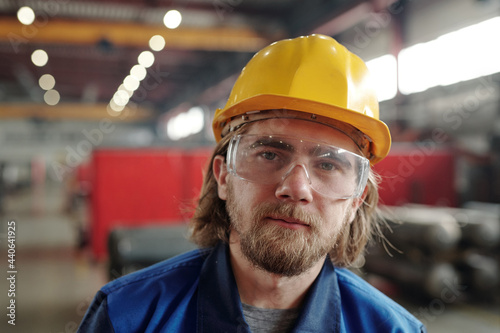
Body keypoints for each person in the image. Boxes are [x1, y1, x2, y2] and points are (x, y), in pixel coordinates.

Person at [78, 34, 426, 332]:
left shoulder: (393, 329)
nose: (296, 188)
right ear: (223, 175)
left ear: (355, 200)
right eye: (270, 154)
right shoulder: (126, 318)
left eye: (328, 164)